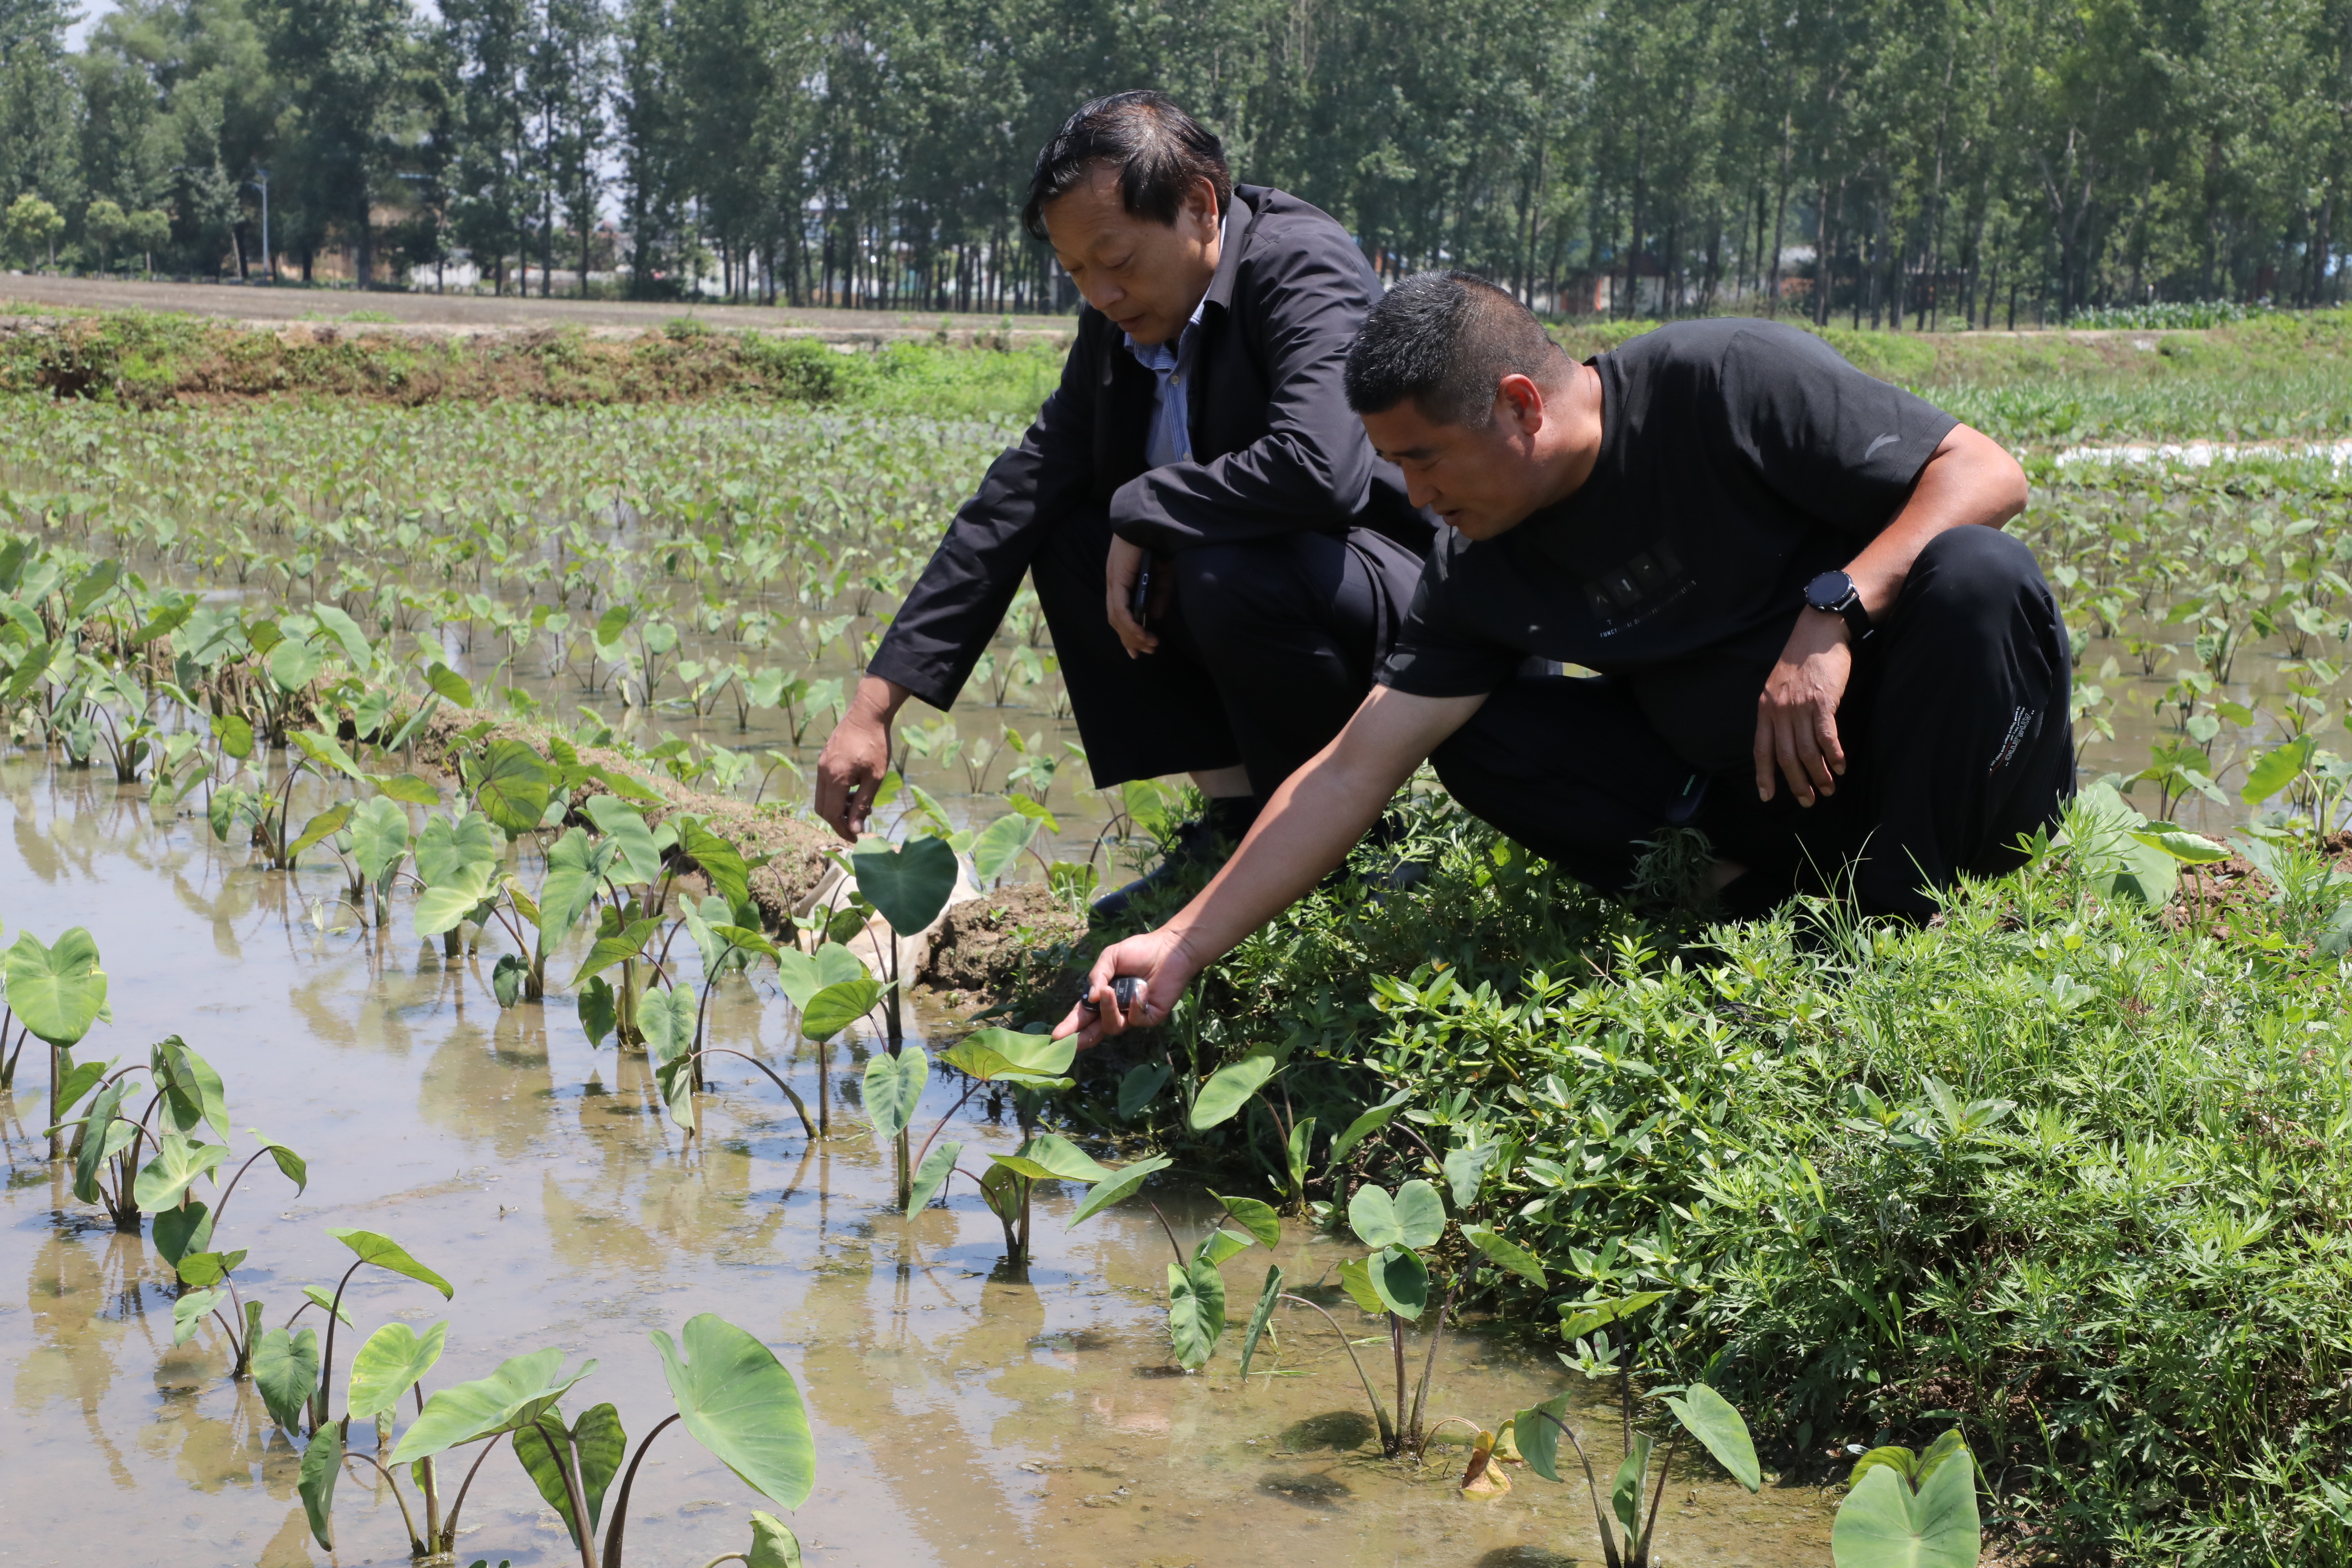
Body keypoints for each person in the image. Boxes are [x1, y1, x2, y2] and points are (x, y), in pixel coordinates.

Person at [1059, 271, 2072, 1044]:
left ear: (1519, 405)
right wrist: (1183, 944)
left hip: (1931, 775)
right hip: (1760, 796)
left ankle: (1915, 919)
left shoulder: (1723, 381)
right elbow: (1350, 770)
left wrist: (1834, 613)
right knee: (1483, 740)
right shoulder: (1479, 562)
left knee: (1980, 576)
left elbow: (1985, 471)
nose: (1414, 498)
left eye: (1423, 458)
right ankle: (1774, 920)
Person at [812, 91, 1432, 910]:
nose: (1101, 293)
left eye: (1117, 259)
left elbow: (1322, 468)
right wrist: (875, 703)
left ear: (1200, 207)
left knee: (1218, 564)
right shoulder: (1123, 319)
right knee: (1067, 533)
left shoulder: (1298, 264)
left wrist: (1145, 505)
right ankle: (1238, 821)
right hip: (1262, 574)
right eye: (1078, 273)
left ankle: (1345, 840)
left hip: (1392, 589)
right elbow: (1020, 492)